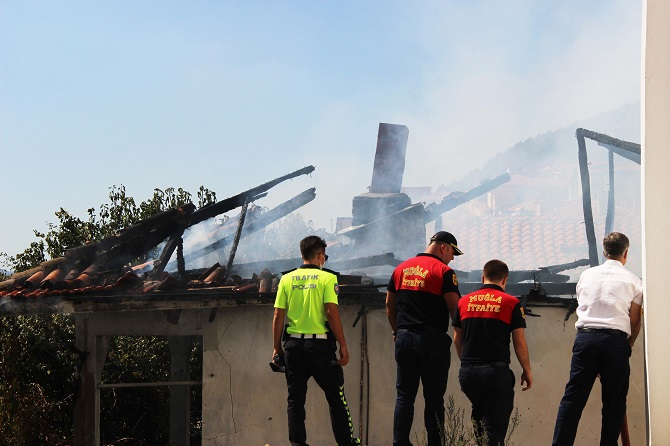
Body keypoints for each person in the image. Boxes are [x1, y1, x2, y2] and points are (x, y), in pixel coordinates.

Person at [552, 232, 643, 446]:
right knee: (613, 404)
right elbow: (635, 320)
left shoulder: (587, 275)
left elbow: (583, 303)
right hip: (615, 342)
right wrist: (626, 347)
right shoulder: (634, 281)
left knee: (573, 399)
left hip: (585, 339)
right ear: (626, 253)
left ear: (604, 252)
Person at [271, 235, 359, 446]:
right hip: (320, 347)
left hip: (293, 346)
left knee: (295, 400)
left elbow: (278, 315)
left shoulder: (286, 279)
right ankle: (347, 443)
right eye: (324, 256)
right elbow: (331, 312)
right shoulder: (328, 278)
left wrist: (276, 348)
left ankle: (298, 444)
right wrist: (343, 346)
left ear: (302, 255)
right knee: (336, 396)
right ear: (320, 255)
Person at [386, 231, 463, 446]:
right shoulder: (444, 272)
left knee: (404, 396)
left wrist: (396, 330)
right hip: (432, 342)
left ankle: (399, 442)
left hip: (404, 339)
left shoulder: (400, 269)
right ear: (443, 247)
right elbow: (456, 312)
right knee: (434, 399)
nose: (453, 258)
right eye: (453, 252)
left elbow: (388, 305)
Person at [452, 259, 532, 446]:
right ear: (505, 279)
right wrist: (527, 370)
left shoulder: (464, 302)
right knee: (495, 433)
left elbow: (457, 338)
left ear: (483, 277)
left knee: (479, 421)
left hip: (468, 374)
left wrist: (466, 363)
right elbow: (519, 343)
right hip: (495, 374)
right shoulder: (511, 303)